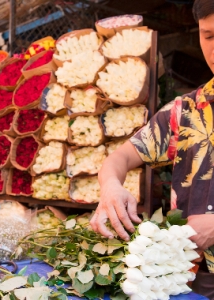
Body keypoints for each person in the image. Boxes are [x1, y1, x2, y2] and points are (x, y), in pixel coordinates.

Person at [90, 0, 214, 298]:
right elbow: (120, 157)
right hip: (190, 272)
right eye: (209, 36)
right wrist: (110, 188)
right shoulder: (184, 111)